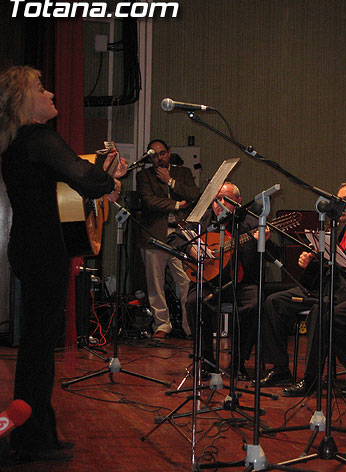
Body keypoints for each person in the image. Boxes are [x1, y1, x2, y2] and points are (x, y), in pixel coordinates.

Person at [0, 66, 126, 462]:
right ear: (26, 101)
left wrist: (101, 175)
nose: (51, 93)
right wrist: (109, 177)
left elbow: (72, 181)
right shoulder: (39, 138)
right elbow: (85, 178)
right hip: (41, 251)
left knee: (37, 346)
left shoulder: (22, 142)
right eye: (41, 88)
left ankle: (38, 431)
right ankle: (31, 439)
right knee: (39, 347)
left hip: (30, 247)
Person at [257, 182, 346, 396]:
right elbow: (324, 263)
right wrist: (310, 259)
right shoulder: (335, 229)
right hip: (325, 286)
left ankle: (310, 379)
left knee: (320, 310)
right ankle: (280, 367)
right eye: (338, 201)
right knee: (274, 302)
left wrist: (334, 257)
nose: (340, 205)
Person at [167, 182, 273, 378]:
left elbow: (273, 254)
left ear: (239, 202)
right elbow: (174, 238)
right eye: (216, 200)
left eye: (226, 199)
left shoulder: (251, 223)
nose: (220, 204)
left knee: (255, 303)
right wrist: (191, 248)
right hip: (208, 281)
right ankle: (207, 361)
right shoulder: (202, 220)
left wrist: (263, 243)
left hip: (241, 283)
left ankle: (238, 362)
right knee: (193, 302)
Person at [137, 139, 200, 339]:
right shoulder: (144, 176)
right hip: (154, 234)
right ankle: (162, 325)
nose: (159, 158)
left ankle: (190, 327)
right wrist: (176, 205)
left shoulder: (183, 173)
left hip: (180, 236)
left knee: (186, 282)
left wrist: (170, 181)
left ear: (169, 152)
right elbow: (149, 201)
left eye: (162, 153)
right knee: (155, 283)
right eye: (154, 155)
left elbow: (194, 194)